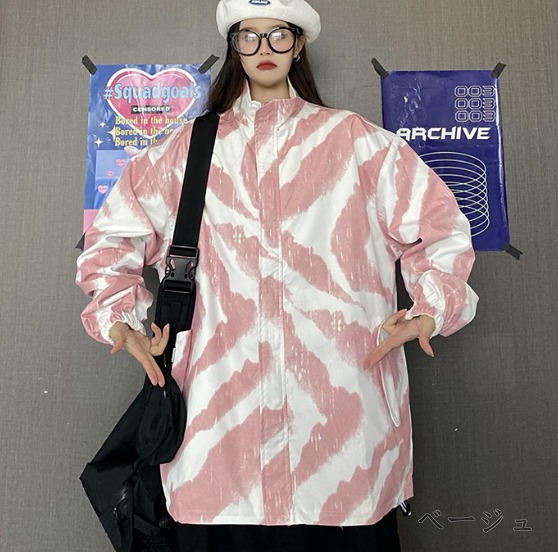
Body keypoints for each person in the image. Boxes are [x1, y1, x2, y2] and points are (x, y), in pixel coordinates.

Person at [76, 0, 479, 550]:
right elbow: (110, 239)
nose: (263, 49)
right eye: (249, 36)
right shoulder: (186, 150)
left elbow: (440, 229)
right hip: (218, 448)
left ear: (299, 43)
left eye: (278, 35)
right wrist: (117, 317)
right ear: (233, 46)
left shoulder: (358, 144)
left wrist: (431, 308)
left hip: (343, 446)